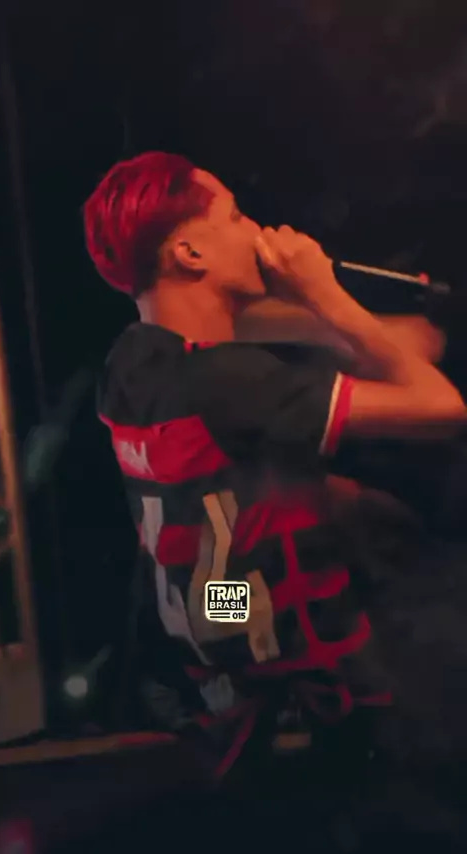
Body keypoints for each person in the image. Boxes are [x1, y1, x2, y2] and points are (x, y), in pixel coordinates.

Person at [83, 152, 465, 776]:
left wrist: (332, 315)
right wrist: (324, 294)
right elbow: (443, 407)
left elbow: (239, 330)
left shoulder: (132, 363)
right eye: (236, 216)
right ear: (190, 253)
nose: (257, 230)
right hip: (290, 652)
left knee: (330, 499)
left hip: (211, 625)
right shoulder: (235, 384)